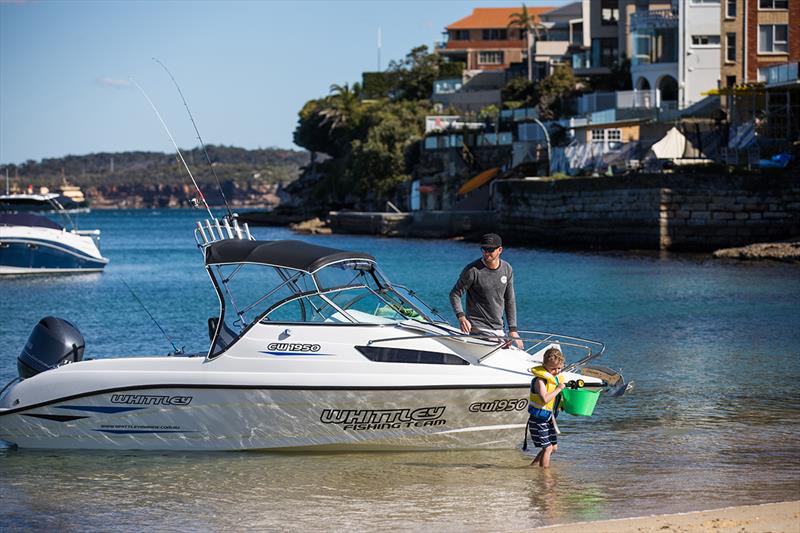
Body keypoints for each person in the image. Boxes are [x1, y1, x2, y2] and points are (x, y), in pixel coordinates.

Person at [449, 233, 522, 348]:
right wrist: (461, 317)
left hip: (498, 329)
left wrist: (513, 329)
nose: (486, 253)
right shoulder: (472, 270)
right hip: (478, 329)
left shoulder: (507, 269)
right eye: (484, 249)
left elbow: (510, 300)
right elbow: (455, 294)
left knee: (518, 353)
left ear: (500, 250)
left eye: (490, 250)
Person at [528, 347, 566, 468]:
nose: (556, 371)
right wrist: (559, 389)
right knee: (548, 448)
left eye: (559, 368)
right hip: (538, 420)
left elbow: (555, 400)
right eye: (553, 368)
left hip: (549, 419)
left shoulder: (555, 379)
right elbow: (544, 399)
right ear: (544, 365)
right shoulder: (541, 381)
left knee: (553, 448)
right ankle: (545, 474)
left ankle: (533, 466)